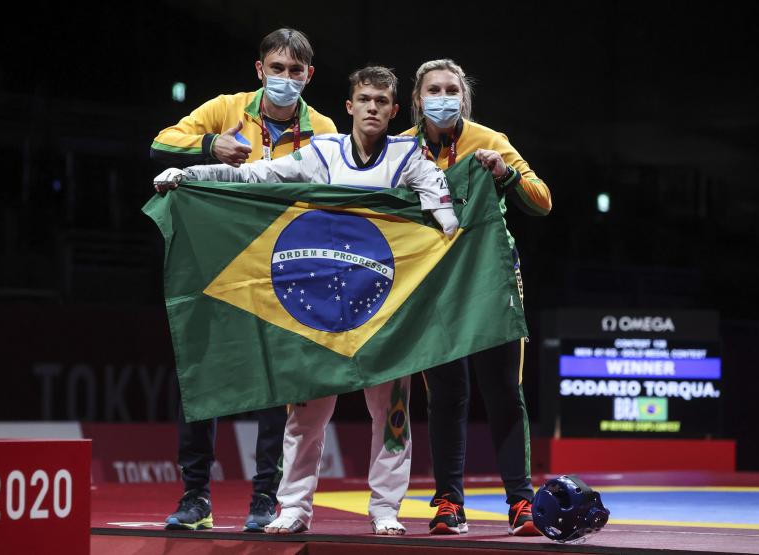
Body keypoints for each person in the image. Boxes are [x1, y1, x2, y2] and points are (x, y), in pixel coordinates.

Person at [154, 66, 459, 535]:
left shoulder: (408, 156)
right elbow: (258, 174)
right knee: (306, 417)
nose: (373, 108)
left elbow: (441, 203)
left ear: (395, 111)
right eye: (365, 99)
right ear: (350, 106)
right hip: (322, 309)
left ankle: (384, 510)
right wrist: (190, 175)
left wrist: (449, 224)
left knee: (392, 416)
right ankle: (294, 507)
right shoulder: (324, 151)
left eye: (382, 101)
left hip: (385, 311)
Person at [149, 28, 337, 533]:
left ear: (308, 76)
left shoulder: (322, 127)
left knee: (276, 382)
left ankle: (264, 499)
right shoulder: (227, 108)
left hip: (282, 267)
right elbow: (160, 142)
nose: (285, 79)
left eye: (295, 71)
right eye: (276, 69)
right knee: (203, 374)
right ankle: (195, 498)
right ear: (260, 71)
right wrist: (211, 145)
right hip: (217, 262)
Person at [400, 59, 551, 536]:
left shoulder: (491, 140)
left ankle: (521, 503)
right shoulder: (400, 149)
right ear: (418, 98)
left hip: (491, 285)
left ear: (463, 98)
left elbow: (541, 200)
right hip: (434, 289)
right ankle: (448, 501)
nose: (442, 97)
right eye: (433, 89)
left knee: (504, 392)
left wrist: (505, 173)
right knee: (446, 396)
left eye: (451, 89)